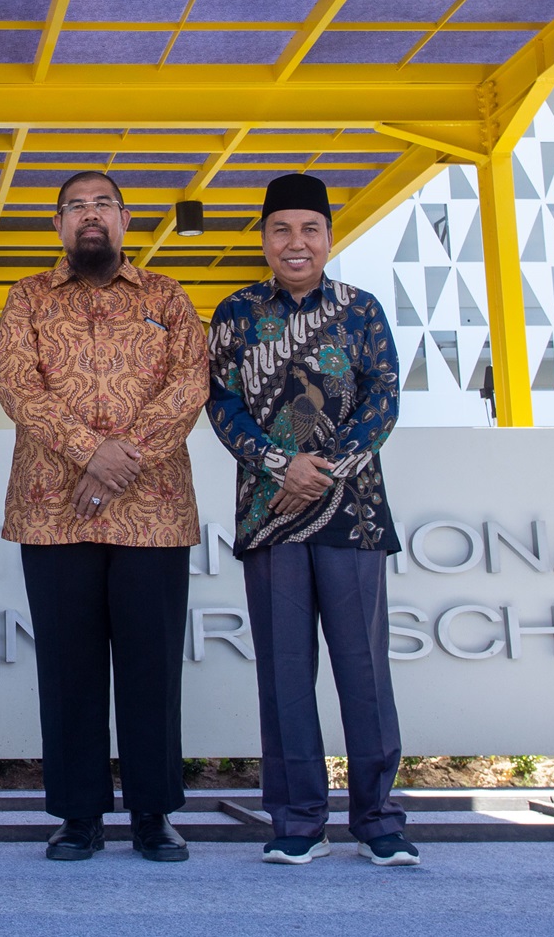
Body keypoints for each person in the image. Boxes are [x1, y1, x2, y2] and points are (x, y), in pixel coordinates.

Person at [0, 170, 208, 863]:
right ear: (59, 223)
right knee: (68, 668)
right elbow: (16, 385)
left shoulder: (167, 296)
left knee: (152, 668)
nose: (91, 215)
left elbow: (191, 382)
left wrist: (124, 457)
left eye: (103, 204)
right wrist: (92, 453)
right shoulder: (26, 298)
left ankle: (153, 812)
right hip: (54, 512)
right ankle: (78, 814)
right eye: (77, 206)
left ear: (124, 219)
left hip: (154, 512)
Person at [206, 171, 418, 868]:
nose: (295, 242)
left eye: (309, 230)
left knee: (364, 670)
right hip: (270, 516)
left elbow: (384, 398)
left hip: (353, 517)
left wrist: (323, 471)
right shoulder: (236, 314)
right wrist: (280, 465)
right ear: (264, 239)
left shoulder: (362, 310)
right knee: (285, 674)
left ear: (328, 237)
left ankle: (379, 819)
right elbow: (221, 404)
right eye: (281, 230)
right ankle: (298, 820)